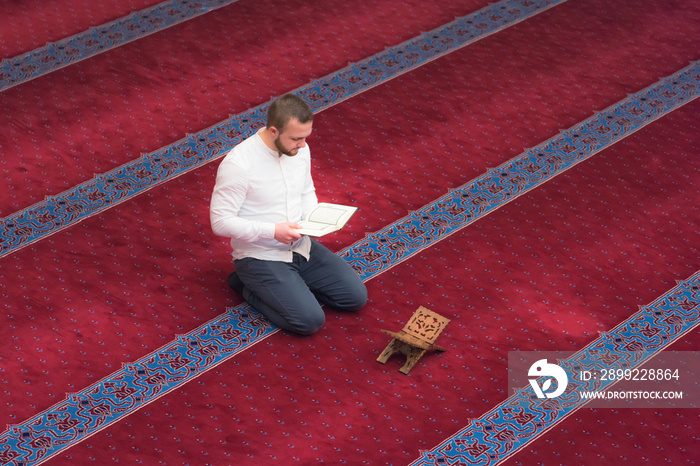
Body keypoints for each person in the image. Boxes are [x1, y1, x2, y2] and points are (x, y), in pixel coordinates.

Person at [210, 94, 367, 335]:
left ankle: (287, 287)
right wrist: (273, 231)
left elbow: (306, 190)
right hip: (261, 255)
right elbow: (220, 222)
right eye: (296, 138)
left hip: (301, 244)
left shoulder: (299, 149)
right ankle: (246, 285)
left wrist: (315, 221)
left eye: (306, 136)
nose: (303, 144)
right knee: (309, 321)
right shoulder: (238, 165)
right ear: (273, 130)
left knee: (354, 298)